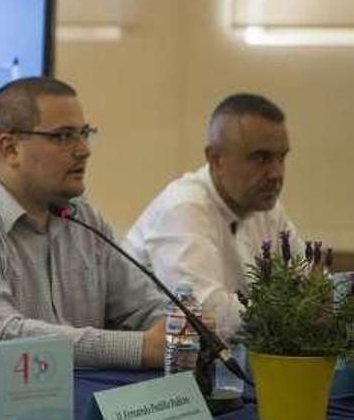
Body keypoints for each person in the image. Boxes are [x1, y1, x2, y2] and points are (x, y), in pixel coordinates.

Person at [0, 77, 167, 369]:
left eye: (84, 133)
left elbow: (143, 308)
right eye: (63, 137)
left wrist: (178, 328)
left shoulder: (83, 218)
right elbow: (2, 339)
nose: (84, 150)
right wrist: (139, 348)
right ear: (10, 149)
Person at [125, 93, 301, 333]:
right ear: (216, 159)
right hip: (152, 364)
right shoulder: (183, 206)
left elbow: (309, 287)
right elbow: (208, 315)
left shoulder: (267, 209)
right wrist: (297, 315)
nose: (276, 174)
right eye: (261, 158)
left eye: (281, 158)